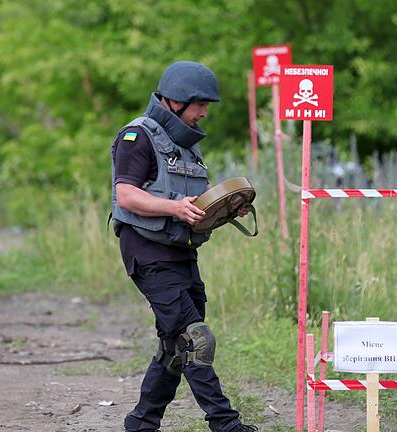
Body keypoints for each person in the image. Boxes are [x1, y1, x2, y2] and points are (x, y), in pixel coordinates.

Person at [110, 61, 257, 432]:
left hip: (182, 254)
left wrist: (226, 208)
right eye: (200, 104)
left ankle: (141, 423)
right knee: (196, 339)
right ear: (176, 100)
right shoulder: (137, 136)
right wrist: (174, 207)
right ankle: (227, 425)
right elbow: (126, 195)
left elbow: (196, 210)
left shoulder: (186, 146)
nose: (205, 112)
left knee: (174, 346)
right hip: (147, 252)